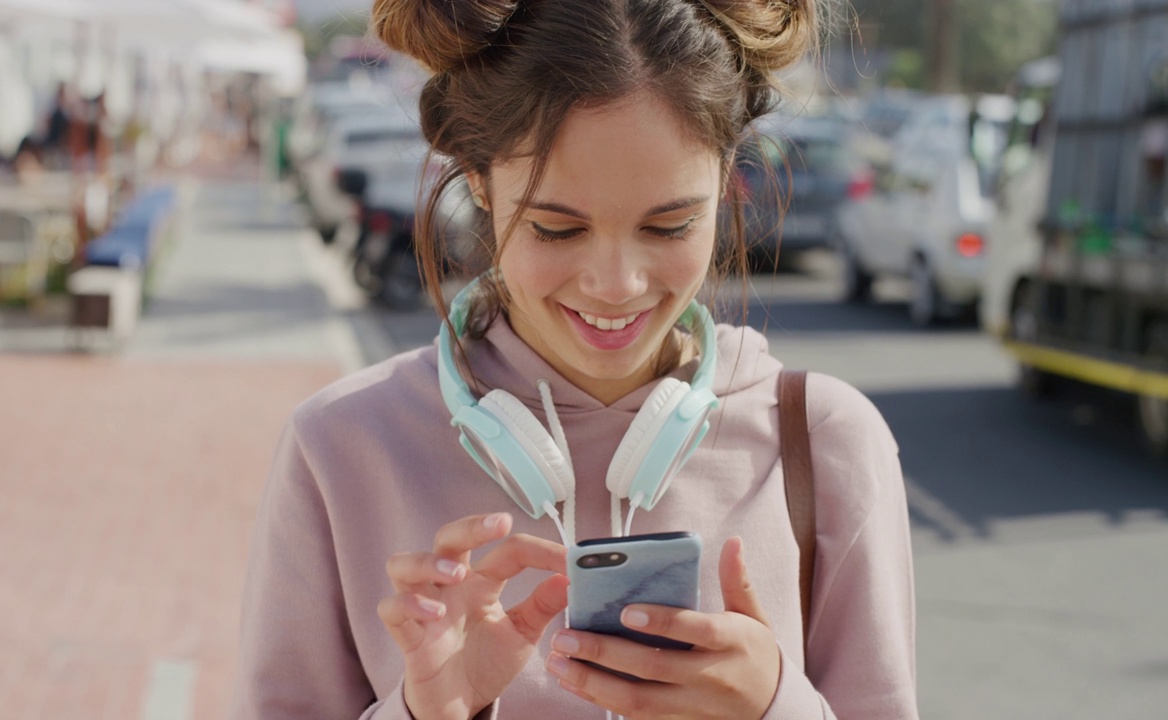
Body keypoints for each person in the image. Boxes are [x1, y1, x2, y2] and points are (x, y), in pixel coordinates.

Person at [232, 1, 919, 719]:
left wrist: (778, 708)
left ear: (725, 180)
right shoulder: (341, 449)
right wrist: (425, 711)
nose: (615, 284)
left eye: (670, 224)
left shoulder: (826, 442)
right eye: (557, 229)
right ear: (475, 180)